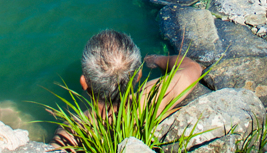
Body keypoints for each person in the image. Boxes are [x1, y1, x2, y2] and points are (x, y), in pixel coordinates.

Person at [51, 30, 203, 148]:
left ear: (84, 83)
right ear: (139, 76)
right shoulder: (150, 100)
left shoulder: (72, 132)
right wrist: (156, 59)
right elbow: (192, 68)